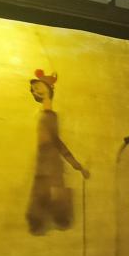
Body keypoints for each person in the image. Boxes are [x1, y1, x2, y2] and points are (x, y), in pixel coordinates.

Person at [26, 69, 88, 235]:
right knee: (44, 193)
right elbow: (54, 141)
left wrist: (75, 164)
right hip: (44, 162)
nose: (34, 90)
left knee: (51, 194)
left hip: (50, 163)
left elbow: (56, 142)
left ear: (48, 88)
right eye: (33, 89)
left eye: (38, 86)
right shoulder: (45, 115)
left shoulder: (49, 116)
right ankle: (46, 218)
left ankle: (54, 217)